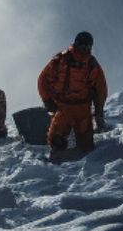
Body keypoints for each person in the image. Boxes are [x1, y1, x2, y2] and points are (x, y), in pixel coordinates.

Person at [37, 30, 108, 158]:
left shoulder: (90, 63)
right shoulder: (61, 60)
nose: (85, 49)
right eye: (83, 45)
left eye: (88, 46)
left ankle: (79, 158)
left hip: (80, 108)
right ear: (77, 44)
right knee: (56, 141)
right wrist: (47, 101)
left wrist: (99, 109)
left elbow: (100, 88)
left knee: (86, 147)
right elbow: (43, 80)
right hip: (63, 107)